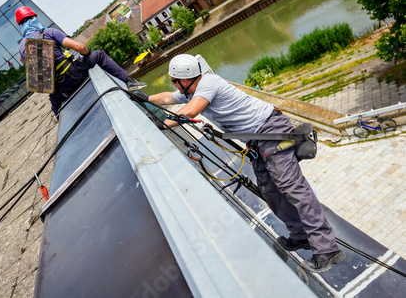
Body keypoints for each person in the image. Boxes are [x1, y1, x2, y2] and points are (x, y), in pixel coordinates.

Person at [146, 54, 344, 273]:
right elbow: (166, 98)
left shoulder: (208, 84)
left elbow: (191, 112)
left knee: (293, 188)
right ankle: (301, 236)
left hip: (270, 129)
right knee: (271, 192)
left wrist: (162, 125)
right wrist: (143, 98)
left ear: (184, 80)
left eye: (174, 80)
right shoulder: (192, 90)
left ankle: (327, 249)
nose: (173, 84)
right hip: (258, 139)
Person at [15, 6, 146, 117]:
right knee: (99, 54)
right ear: (34, 18)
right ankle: (130, 82)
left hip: (59, 91)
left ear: (21, 26)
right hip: (74, 76)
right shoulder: (49, 32)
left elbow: (23, 59)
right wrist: (86, 51)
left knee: (57, 110)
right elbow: (80, 48)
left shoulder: (22, 46)